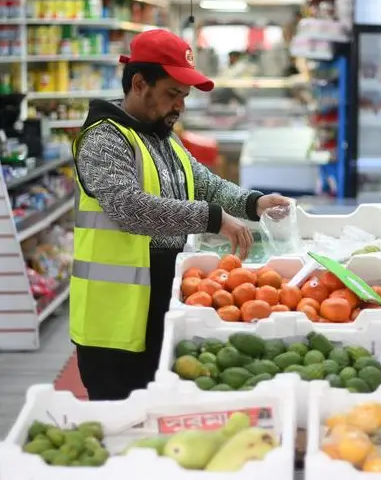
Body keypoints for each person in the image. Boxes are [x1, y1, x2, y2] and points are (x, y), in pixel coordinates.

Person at [71, 29, 289, 401]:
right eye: (173, 94)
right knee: (121, 419)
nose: (180, 106)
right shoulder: (104, 139)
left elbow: (204, 183)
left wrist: (254, 203)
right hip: (114, 318)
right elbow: (128, 207)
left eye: (184, 97)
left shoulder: (161, 136)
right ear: (140, 83)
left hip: (159, 296)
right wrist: (212, 218)